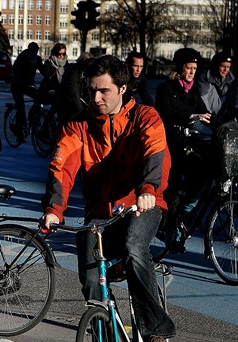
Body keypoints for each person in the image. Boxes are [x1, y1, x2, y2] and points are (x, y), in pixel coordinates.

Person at [40, 55, 175, 342]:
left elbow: (156, 152)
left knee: (134, 246)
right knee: (90, 279)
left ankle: (155, 330)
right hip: (100, 212)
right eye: (91, 90)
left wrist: (148, 190)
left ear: (122, 88)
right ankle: (103, 325)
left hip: (140, 205)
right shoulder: (79, 126)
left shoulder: (144, 117)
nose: (96, 97)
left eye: (104, 91)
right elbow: (61, 166)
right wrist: (54, 208)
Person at [155, 48, 212, 252]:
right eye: (189, 68)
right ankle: (168, 225)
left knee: (205, 173)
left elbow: (206, 113)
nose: (192, 72)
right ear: (180, 68)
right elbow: (168, 113)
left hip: (188, 143)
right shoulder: (166, 88)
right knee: (175, 185)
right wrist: (192, 116)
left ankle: (183, 214)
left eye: (195, 68)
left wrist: (224, 126)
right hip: (171, 143)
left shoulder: (193, 89)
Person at [9, 42, 44, 142]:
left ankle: (32, 116)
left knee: (39, 97)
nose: (34, 54)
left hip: (28, 85)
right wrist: (20, 80)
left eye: (36, 52)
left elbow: (42, 70)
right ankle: (19, 132)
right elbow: (15, 71)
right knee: (20, 107)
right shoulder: (22, 58)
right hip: (17, 86)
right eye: (32, 51)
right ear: (28, 51)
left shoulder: (37, 60)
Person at [57, 52, 94, 122]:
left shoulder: (85, 72)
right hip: (66, 102)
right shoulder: (73, 72)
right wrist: (81, 112)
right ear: (82, 62)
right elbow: (74, 93)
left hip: (79, 100)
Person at [198, 51, 234, 117]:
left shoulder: (230, 79)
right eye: (223, 66)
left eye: (228, 67)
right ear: (216, 66)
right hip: (209, 112)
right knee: (211, 89)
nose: (226, 70)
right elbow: (203, 97)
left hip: (224, 111)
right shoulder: (206, 76)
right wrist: (208, 115)